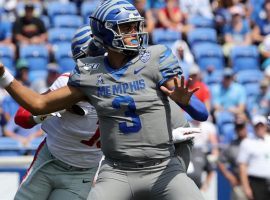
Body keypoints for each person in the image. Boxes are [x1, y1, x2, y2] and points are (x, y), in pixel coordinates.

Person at [0, 1, 208, 199]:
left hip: (154, 165)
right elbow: (35, 107)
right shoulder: (87, 77)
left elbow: (200, 113)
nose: (135, 33)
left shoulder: (153, 60)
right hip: (109, 169)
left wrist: (183, 105)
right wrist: (5, 77)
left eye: (135, 26)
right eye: (126, 28)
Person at [13, 25, 104, 200]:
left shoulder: (124, 88)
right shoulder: (66, 85)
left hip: (82, 172)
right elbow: (22, 118)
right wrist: (54, 108)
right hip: (50, 159)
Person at [238, 115, 270, 200]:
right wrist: (246, 187)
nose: (260, 128)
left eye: (261, 125)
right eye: (257, 126)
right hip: (256, 182)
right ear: (253, 127)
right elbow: (242, 167)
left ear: (265, 126)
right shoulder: (247, 142)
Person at [218, 117, 249, 200]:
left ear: (246, 128)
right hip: (239, 184)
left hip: (255, 183)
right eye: (238, 128)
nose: (240, 130)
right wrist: (230, 176)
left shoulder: (254, 143)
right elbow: (220, 161)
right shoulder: (231, 145)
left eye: (241, 127)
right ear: (235, 129)